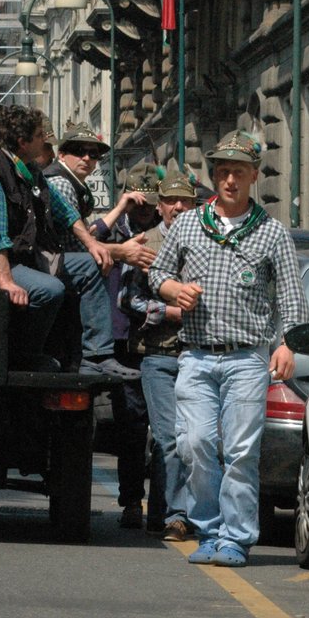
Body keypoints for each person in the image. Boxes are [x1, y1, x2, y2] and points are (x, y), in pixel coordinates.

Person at [148, 130, 309, 567]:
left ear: (254, 176)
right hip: (196, 354)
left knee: (240, 452)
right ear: (214, 176)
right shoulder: (187, 224)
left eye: (238, 172)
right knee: (195, 443)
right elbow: (156, 274)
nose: (230, 180)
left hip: (246, 357)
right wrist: (174, 290)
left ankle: (235, 537)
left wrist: (288, 345)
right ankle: (209, 528)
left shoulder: (272, 234)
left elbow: (292, 297)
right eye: (222, 171)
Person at [45, 134, 160, 526]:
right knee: (124, 422)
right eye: (137, 203)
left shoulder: (166, 232)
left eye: (151, 205)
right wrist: (120, 215)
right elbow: (84, 243)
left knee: (152, 426)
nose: (145, 212)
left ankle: (152, 507)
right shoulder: (106, 228)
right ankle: (131, 500)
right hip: (110, 339)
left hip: (148, 342)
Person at [0, 106, 139, 378]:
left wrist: (92, 244)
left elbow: (64, 210)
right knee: (50, 289)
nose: (46, 141)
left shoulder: (30, 170)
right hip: (4, 262)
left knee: (90, 265)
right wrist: (5, 279)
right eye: (40, 135)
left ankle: (97, 355)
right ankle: (25, 355)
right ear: (22, 141)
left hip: (31, 258)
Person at [119, 162, 198, 539]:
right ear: (161, 205)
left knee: (195, 439)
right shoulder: (144, 242)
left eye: (185, 202)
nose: (178, 209)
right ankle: (167, 514)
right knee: (162, 436)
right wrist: (165, 311)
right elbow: (126, 298)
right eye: (172, 202)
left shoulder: (205, 241)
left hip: (199, 355)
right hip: (155, 354)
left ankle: (168, 512)